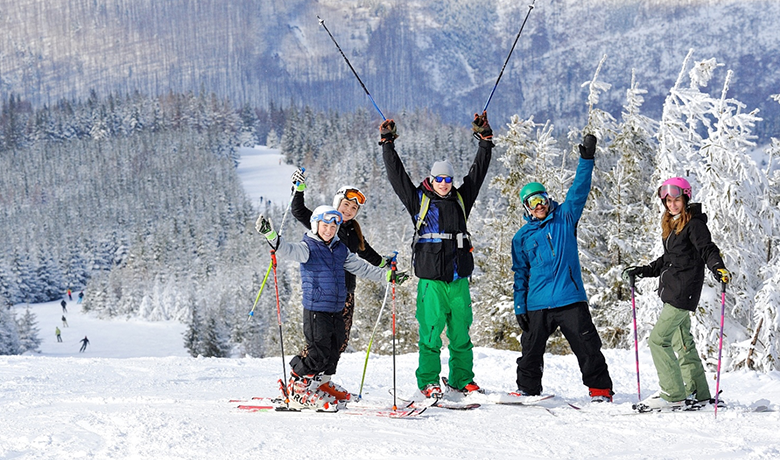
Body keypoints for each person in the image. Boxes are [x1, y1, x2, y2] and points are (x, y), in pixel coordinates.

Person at [380, 112, 493, 398]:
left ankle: (461, 378)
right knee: (430, 334)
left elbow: (477, 174)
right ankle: (428, 380)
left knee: (461, 334)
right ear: (432, 178)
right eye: (439, 178)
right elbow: (397, 177)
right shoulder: (418, 199)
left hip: (458, 280)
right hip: (431, 281)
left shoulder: (461, 198)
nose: (444, 183)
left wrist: (485, 142)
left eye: (448, 179)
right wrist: (387, 144)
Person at [255, 206, 408, 411]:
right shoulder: (308, 247)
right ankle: (299, 387)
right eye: (325, 225)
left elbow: (361, 268)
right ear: (315, 225)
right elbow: (286, 249)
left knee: (334, 348)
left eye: (333, 226)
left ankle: (320, 384)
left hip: (336, 307)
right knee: (318, 350)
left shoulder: (340, 249)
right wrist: (270, 235)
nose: (329, 229)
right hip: (316, 309)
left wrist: (388, 276)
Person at [511, 134, 614, 403]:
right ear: (526, 208)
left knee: (587, 346)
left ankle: (600, 389)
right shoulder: (521, 238)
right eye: (533, 202)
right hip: (537, 303)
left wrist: (586, 159)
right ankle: (528, 389)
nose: (540, 205)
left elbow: (579, 189)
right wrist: (520, 306)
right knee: (530, 350)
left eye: (542, 198)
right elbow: (520, 274)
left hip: (570, 298)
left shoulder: (566, 217)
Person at [623, 177, 731, 411]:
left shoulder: (694, 224)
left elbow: (707, 249)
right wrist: (642, 271)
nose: (672, 205)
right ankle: (699, 392)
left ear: (686, 199)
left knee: (657, 340)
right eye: (668, 201)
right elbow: (668, 260)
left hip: (682, 293)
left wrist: (718, 267)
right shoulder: (673, 224)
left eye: (677, 200)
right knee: (682, 343)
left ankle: (672, 394)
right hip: (674, 291)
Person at [289, 171, 390, 396]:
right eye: (345, 205)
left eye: (353, 208)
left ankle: (323, 381)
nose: (349, 211)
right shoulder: (323, 222)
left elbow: (367, 253)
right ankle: (303, 380)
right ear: (337, 204)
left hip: (345, 293)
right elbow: (298, 210)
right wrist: (299, 190)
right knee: (319, 343)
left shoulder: (353, 232)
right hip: (321, 294)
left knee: (339, 342)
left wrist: (385, 264)